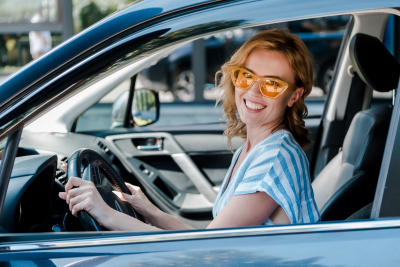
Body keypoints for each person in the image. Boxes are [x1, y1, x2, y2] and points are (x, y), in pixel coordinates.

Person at [59, 29, 320, 231]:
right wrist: (149, 210)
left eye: (272, 84)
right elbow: (209, 237)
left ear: (293, 96)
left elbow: (205, 250)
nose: (252, 90)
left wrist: (106, 214)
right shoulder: (256, 148)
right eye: (246, 76)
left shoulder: (275, 158)